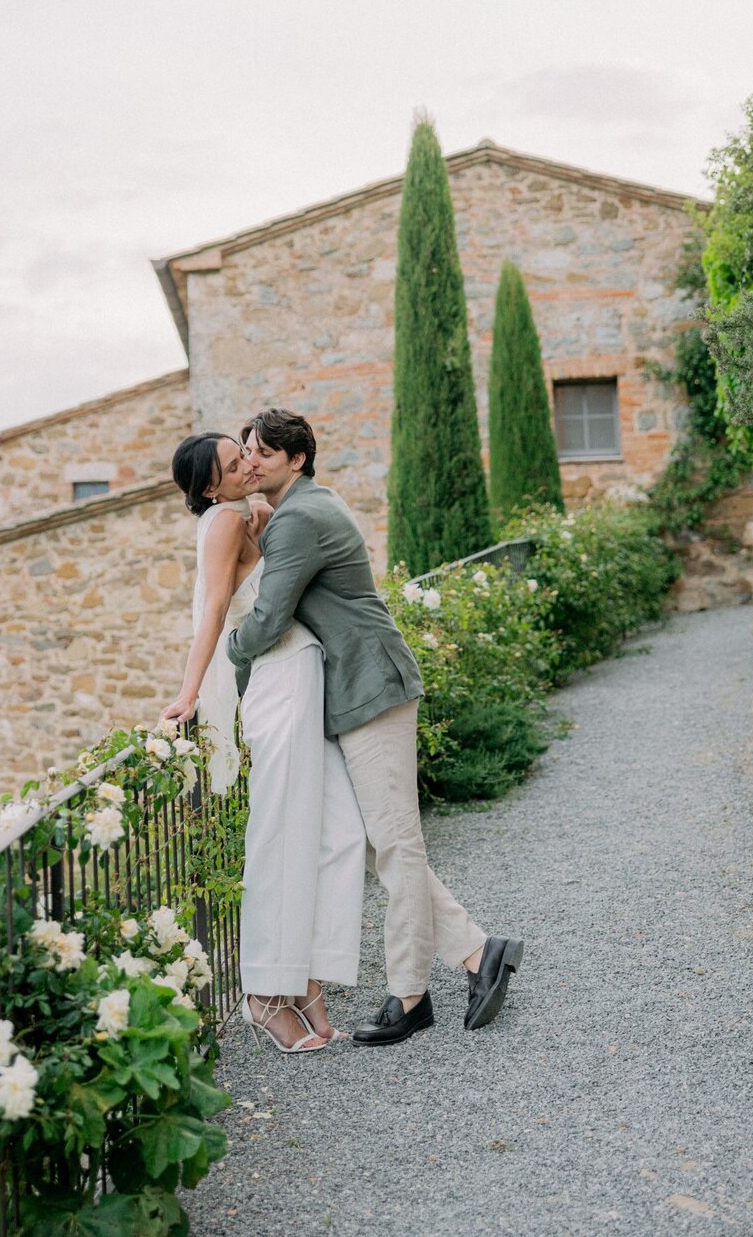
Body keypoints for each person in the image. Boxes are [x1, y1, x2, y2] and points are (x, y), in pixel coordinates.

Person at [226, 408, 523, 1047]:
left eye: (263, 454)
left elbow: (270, 616)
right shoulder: (302, 508)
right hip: (358, 690)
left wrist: (229, 652)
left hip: (371, 688)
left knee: (394, 842)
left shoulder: (299, 519)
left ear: (296, 460)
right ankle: (478, 953)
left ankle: (409, 994)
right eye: (245, 452)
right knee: (370, 840)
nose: (251, 462)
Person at [163, 431, 366, 1054]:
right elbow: (216, 611)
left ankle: (308, 978)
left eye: (245, 454)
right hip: (278, 680)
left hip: (300, 671)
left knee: (341, 831)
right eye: (233, 465)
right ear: (208, 487)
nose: (247, 466)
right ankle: (265, 994)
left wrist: (261, 515)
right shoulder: (225, 522)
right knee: (278, 833)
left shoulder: (245, 514)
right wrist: (187, 692)